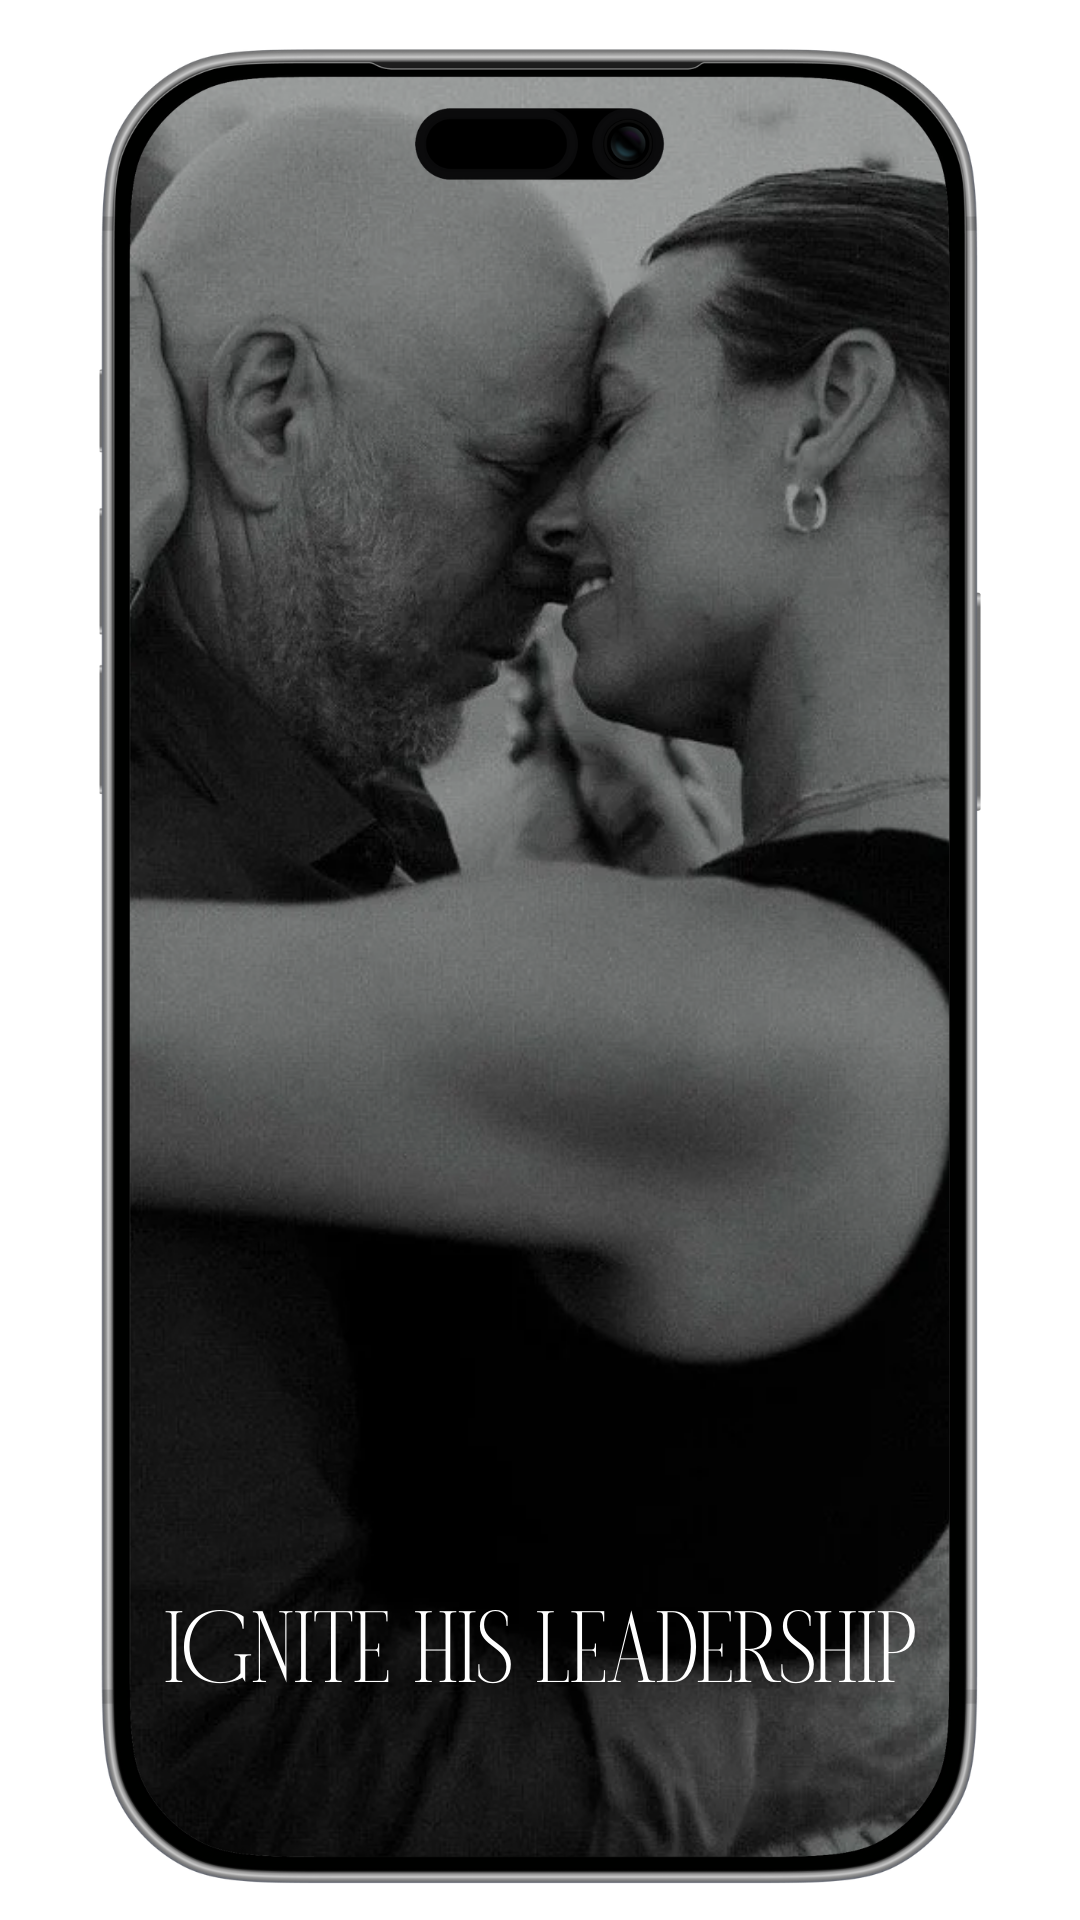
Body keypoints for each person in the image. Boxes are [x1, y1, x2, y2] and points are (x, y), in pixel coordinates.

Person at [127, 154, 953, 1857]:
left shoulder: (753, 1004)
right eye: (524, 459)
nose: (560, 521)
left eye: (615, 422)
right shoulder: (819, 950)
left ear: (829, 416)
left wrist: (752, 1749)